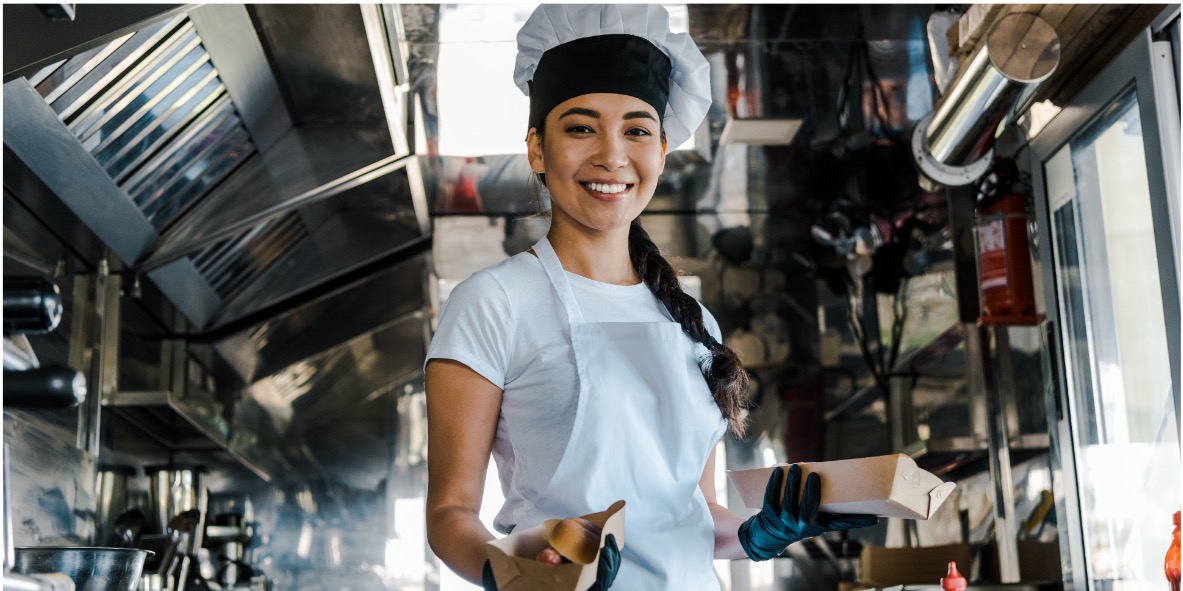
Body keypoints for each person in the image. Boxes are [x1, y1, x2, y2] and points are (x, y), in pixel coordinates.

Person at [423, 5, 879, 589]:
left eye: (636, 130)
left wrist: (755, 534)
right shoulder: (493, 303)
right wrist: (517, 573)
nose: (612, 155)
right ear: (537, 148)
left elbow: (689, 515)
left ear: (662, 150)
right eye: (581, 127)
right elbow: (449, 516)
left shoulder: (695, 323)